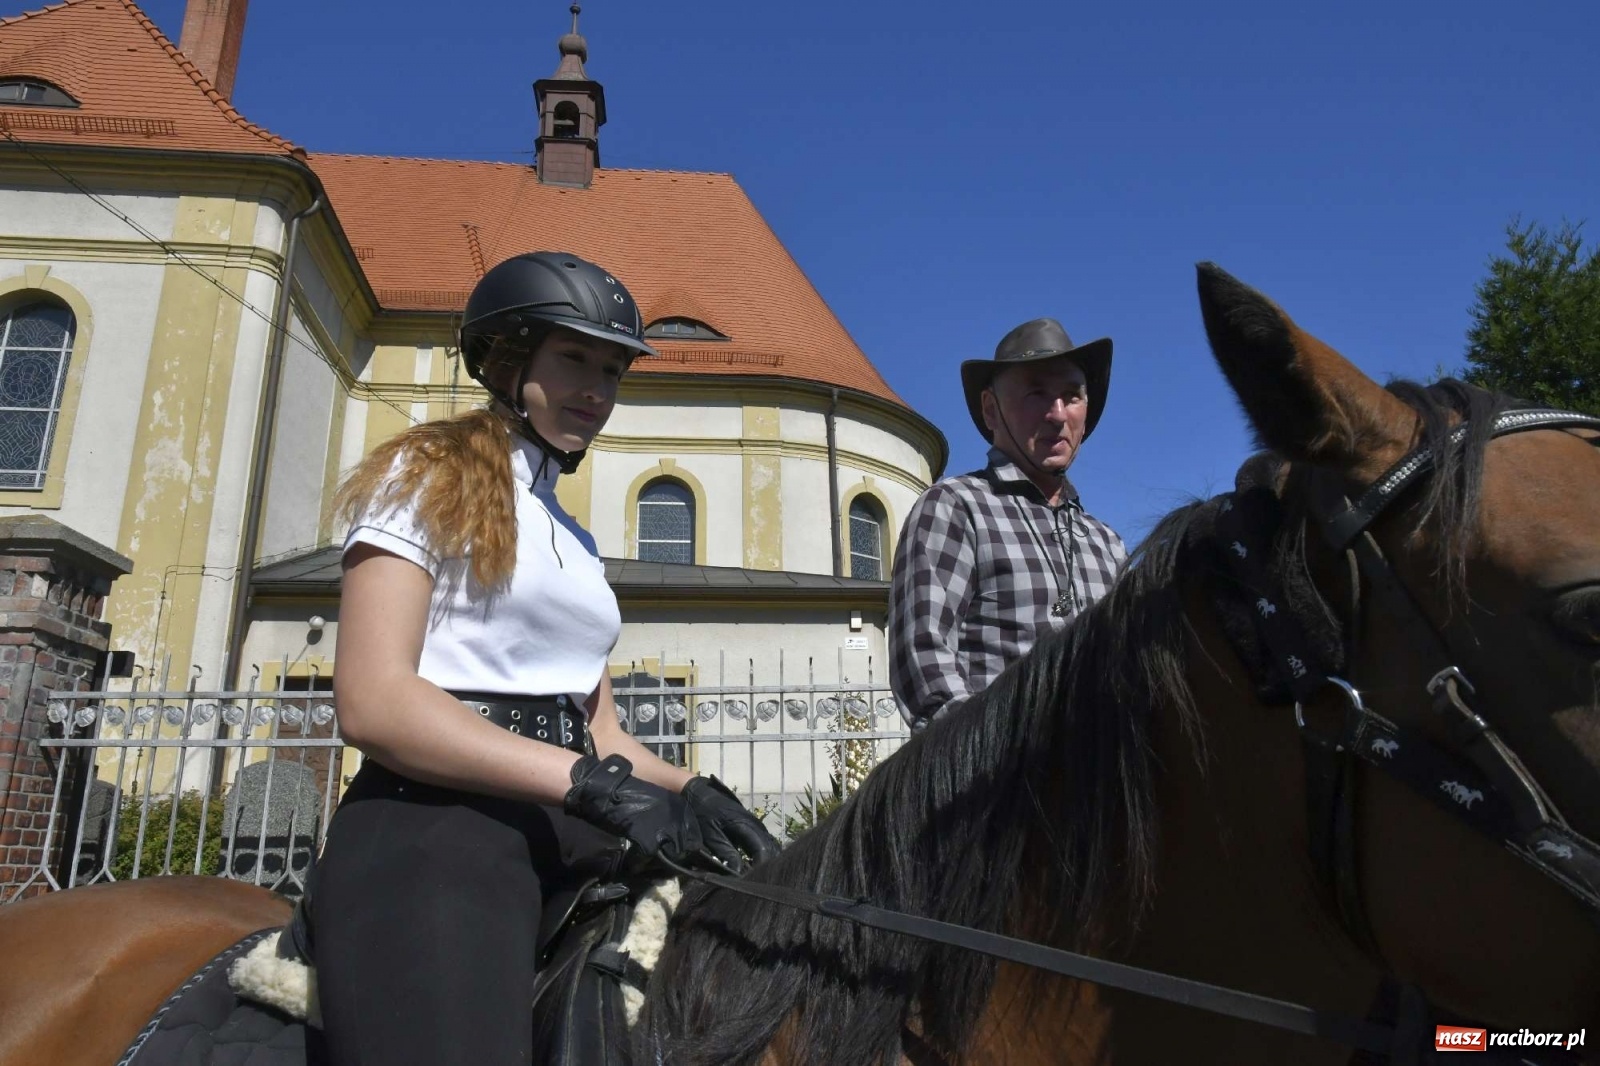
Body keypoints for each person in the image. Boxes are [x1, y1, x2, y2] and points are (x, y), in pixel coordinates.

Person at [309, 251, 780, 1064]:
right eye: (574, 359)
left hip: (575, 830)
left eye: (612, 370)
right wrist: (589, 784)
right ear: (507, 358)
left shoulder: (574, 539)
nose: (597, 389)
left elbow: (603, 733)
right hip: (437, 830)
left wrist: (693, 790)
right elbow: (374, 700)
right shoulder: (424, 474)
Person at [889, 317, 1127, 729]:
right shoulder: (956, 508)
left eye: (1071, 396)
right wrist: (999, 754)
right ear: (990, 409)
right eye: (1037, 393)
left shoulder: (1107, 544)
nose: (1057, 414)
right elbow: (924, 661)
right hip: (996, 766)